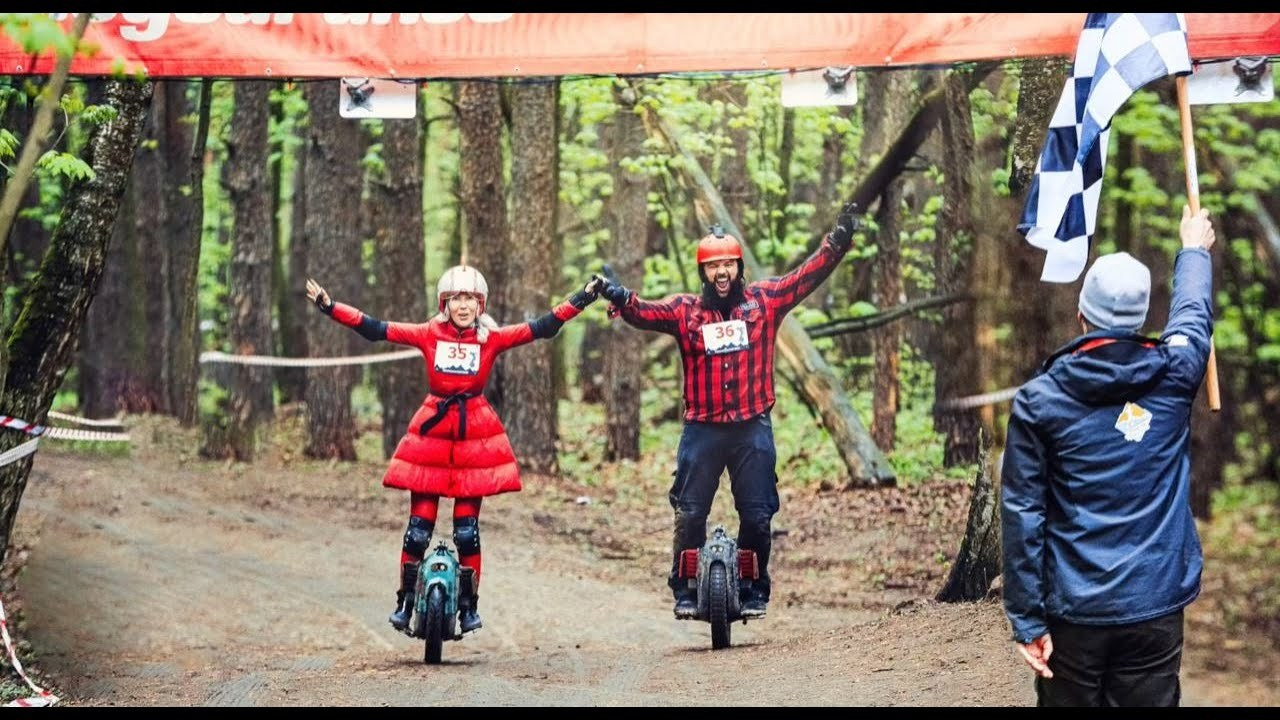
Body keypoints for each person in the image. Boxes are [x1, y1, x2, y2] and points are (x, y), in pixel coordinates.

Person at [595, 204, 862, 619]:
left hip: (751, 428)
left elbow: (806, 276)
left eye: (728, 265)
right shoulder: (686, 311)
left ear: (739, 268)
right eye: (713, 266)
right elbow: (644, 311)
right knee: (689, 513)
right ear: (703, 273)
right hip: (702, 430)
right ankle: (684, 589)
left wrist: (838, 241)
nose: (721, 273)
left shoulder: (764, 302)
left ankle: (754, 587)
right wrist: (618, 296)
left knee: (757, 515)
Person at [1000, 206, 1217, 707]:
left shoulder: (1039, 401)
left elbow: (1023, 514)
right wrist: (1193, 250)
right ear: (1141, 318)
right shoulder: (1176, 372)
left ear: (1082, 315)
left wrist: (1028, 619)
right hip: (1155, 605)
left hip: (1074, 613)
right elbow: (1191, 313)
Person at [307, 266, 601, 635]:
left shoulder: (490, 339)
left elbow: (541, 327)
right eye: (456, 299)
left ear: (480, 304)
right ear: (445, 304)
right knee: (418, 529)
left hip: (473, 435)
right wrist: (331, 307)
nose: (463, 306)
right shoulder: (429, 334)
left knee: (467, 532)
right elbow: (376, 328)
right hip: (433, 433)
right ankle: (405, 602)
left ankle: (468, 607)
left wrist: (582, 298)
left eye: (471, 299)